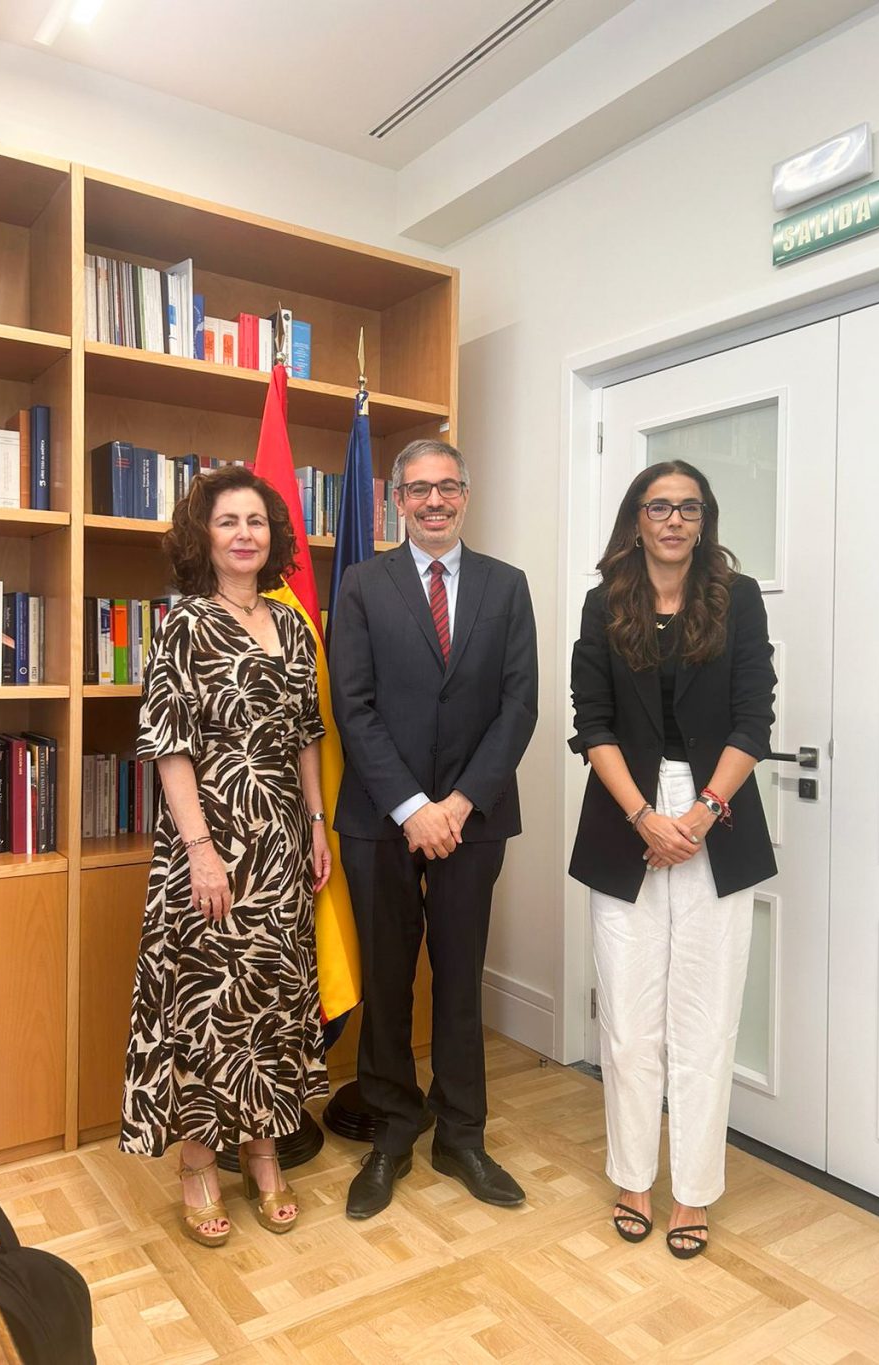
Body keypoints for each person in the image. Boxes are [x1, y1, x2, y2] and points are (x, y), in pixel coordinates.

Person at [568, 459, 776, 1260]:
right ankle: (632, 1175)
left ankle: (693, 1190)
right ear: (637, 518)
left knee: (705, 1019)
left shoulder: (738, 597)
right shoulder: (603, 603)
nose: (675, 519)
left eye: (690, 507)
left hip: (716, 816)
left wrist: (696, 816)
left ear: (704, 519)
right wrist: (645, 817)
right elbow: (593, 724)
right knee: (626, 1019)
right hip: (626, 813)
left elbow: (754, 718)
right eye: (660, 505)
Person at [119, 463, 331, 1245]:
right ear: (202, 537)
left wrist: (315, 823)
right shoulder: (183, 623)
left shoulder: (290, 622)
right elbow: (170, 746)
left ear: (273, 537)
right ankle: (199, 1164)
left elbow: (308, 733)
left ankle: (265, 1153)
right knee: (209, 1006)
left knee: (272, 998)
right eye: (228, 521)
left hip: (280, 842)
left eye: (257, 521)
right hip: (209, 845)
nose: (246, 534)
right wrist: (202, 850)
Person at [329, 438, 538, 1219]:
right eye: (418, 489)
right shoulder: (361, 584)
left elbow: (520, 706)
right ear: (396, 500)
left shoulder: (506, 587)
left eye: (448, 486)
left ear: (467, 493)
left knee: (459, 978)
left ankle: (463, 1134)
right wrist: (414, 807)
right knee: (387, 980)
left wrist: (456, 804)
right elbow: (353, 705)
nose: (435, 501)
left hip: (473, 821)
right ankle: (391, 1132)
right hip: (382, 823)